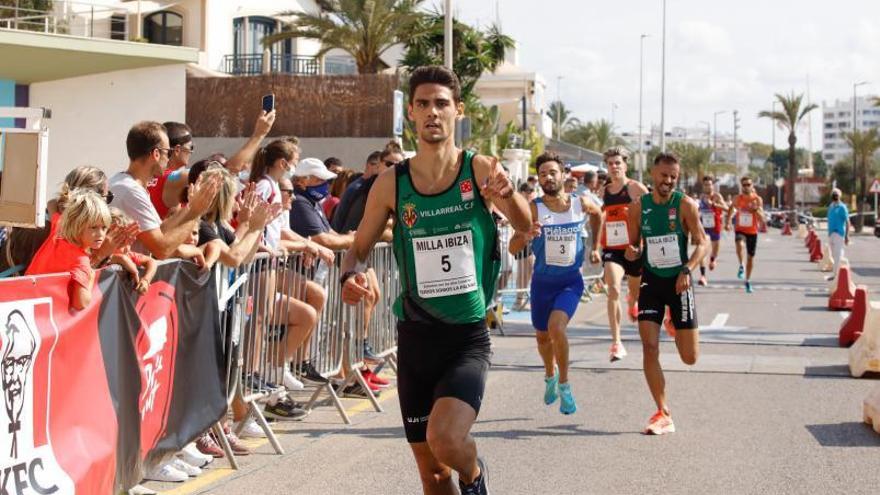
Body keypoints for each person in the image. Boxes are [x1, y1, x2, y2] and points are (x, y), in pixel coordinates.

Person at [340, 65, 530, 495]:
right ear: (410, 112)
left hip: (465, 339)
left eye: (441, 104)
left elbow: (524, 222)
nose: (432, 112)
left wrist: (508, 191)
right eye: (423, 104)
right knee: (432, 474)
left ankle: (476, 474)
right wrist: (350, 275)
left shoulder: (479, 169)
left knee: (445, 440)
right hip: (416, 340)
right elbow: (358, 248)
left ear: (458, 111)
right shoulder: (392, 183)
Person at [509, 152, 601, 415]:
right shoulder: (534, 208)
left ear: (563, 175)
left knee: (556, 328)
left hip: (570, 282)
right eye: (543, 174)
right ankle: (549, 375)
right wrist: (526, 235)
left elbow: (598, 215)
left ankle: (565, 385)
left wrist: (595, 246)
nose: (548, 177)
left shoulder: (579, 203)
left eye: (552, 172)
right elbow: (513, 247)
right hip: (542, 284)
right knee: (541, 337)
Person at [624, 152, 708, 435]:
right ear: (653, 174)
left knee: (690, 358)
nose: (668, 181)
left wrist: (688, 269)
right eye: (664, 175)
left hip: (679, 283)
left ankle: (674, 321)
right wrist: (632, 252)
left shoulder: (685, 205)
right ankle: (663, 411)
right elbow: (634, 245)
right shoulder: (637, 208)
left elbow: (702, 244)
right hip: (651, 283)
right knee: (649, 348)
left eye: (673, 176)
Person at [109, 121, 218, 262]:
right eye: (169, 152)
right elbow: (162, 250)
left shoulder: (124, 183)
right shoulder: (131, 191)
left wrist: (191, 207)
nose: (169, 158)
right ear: (156, 154)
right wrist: (195, 213)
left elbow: (160, 230)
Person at [593, 146, 648, 362]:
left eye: (618, 163)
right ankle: (616, 342)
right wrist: (595, 247)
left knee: (633, 292)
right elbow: (597, 219)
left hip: (634, 249)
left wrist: (639, 244)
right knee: (613, 288)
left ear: (625, 164)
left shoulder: (637, 189)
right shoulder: (603, 192)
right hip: (612, 249)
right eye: (610, 164)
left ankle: (632, 302)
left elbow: (649, 217)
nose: (614, 167)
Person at [26, 190, 111, 310]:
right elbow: (81, 303)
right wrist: (91, 278)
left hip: (24, 297)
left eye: (104, 227)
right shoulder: (81, 260)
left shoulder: (58, 230)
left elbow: (51, 204)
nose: (100, 234)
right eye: (93, 227)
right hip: (42, 310)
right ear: (76, 225)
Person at [147, 121, 194, 219]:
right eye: (191, 147)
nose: (191, 152)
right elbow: (208, 172)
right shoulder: (177, 177)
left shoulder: (145, 177)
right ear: (177, 150)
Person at [726, 176, 765, 293]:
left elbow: (762, 219)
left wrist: (755, 210)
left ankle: (747, 280)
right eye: (744, 185)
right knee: (739, 243)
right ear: (741, 186)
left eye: (749, 184)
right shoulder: (738, 198)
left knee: (751, 258)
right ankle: (741, 265)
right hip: (740, 229)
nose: (746, 187)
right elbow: (730, 209)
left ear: (752, 186)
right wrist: (728, 222)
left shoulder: (757, 199)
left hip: (752, 231)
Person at [108, 208, 158, 294]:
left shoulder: (128, 255)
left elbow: (151, 261)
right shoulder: (93, 254)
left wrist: (146, 280)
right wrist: (120, 258)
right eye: (121, 242)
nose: (127, 248)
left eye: (129, 242)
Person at [696, 175, 729, 286]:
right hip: (703, 226)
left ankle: (713, 259)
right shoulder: (701, 197)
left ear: (712, 185)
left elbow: (727, 209)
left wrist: (714, 204)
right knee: (702, 249)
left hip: (715, 226)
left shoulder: (717, 196)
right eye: (706, 185)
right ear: (703, 186)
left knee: (715, 249)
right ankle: (703, 276)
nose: (708, 187)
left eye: (710, 184)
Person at [826, 188, 850, 280]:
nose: (835, 196)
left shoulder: (842, 207)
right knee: (833, 255)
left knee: (838, 255)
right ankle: (842, 269)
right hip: (831, 233)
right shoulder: (831, 206)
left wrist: (847, 235)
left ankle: (836, 276)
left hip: (839, 233)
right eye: (833, 194)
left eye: (836, 194)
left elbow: (848, 221)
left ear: (839, 196)